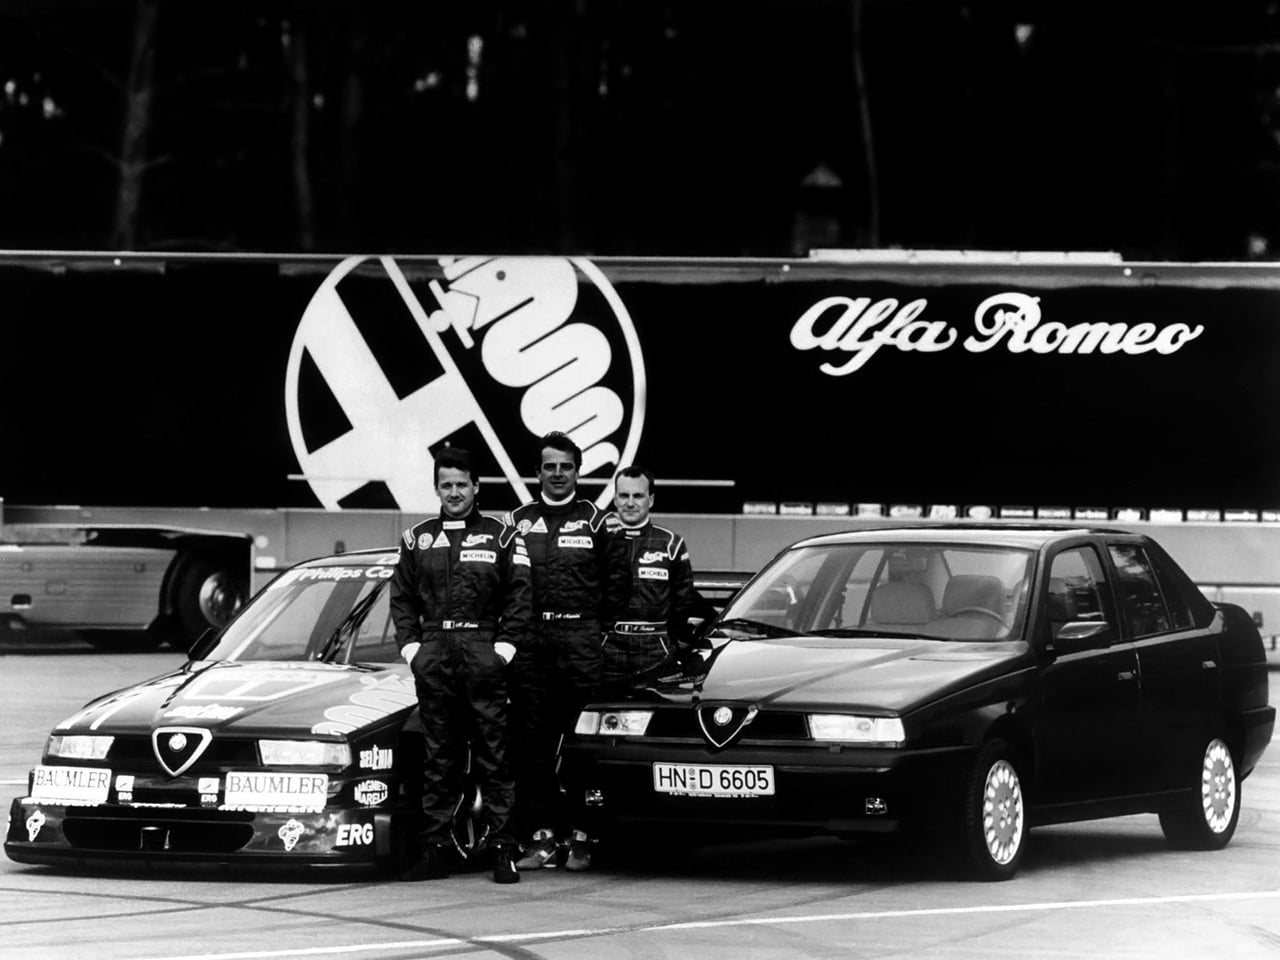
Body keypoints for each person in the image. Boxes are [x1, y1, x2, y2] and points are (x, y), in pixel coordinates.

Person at [390, 446, 532, 884]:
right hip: (435, 652)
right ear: (437, 488)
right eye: (445, 485)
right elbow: (401, 600)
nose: (454, 492)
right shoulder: (417, 539)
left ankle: (503, 848)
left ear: (476, 486)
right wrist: (414, 651)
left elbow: (521, 598)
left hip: (482, 651)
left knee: (494, 754)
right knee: (439, 756)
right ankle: (435, 847)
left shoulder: (502, 536)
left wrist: (501, 652)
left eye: (461, 484)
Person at [506, 431, 629, 873]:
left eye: (566, 466)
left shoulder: (598, 521)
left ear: (578, 471)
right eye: (549, 466)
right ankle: (542, 837)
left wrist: (598, 635)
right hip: (531, 646)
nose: (558, 474)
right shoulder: (515, 521)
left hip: (580, 644)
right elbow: (503, 587)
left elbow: (618, 585)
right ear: (537, 472)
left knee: (581, 747)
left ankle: (582, 835)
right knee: (532, 747)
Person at [602, 465, 714, 691]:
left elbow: (684, 599)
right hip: (607, 645)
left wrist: (673, 639)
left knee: (653, 710)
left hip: (656, 646)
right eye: (624, 495)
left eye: (638, 496)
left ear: (650, 500)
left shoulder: (671, 544)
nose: (630, 503)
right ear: (615, 499)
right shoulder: (599, 539)